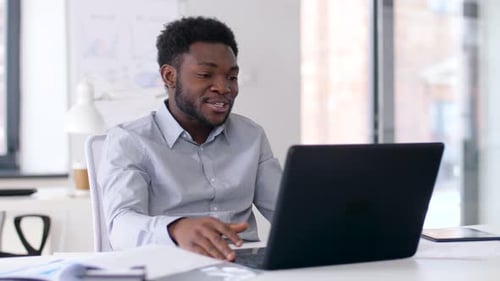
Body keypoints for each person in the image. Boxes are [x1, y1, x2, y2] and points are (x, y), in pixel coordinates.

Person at [98, 16, 282, 262]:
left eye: (231, 77)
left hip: (243, 265)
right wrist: (176, 228)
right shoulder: (130, 140)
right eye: (206, 75)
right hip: (168, 265)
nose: (224, 87)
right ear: (170, 77)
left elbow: (289, 213)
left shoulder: (251, 135)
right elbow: (121, 227)